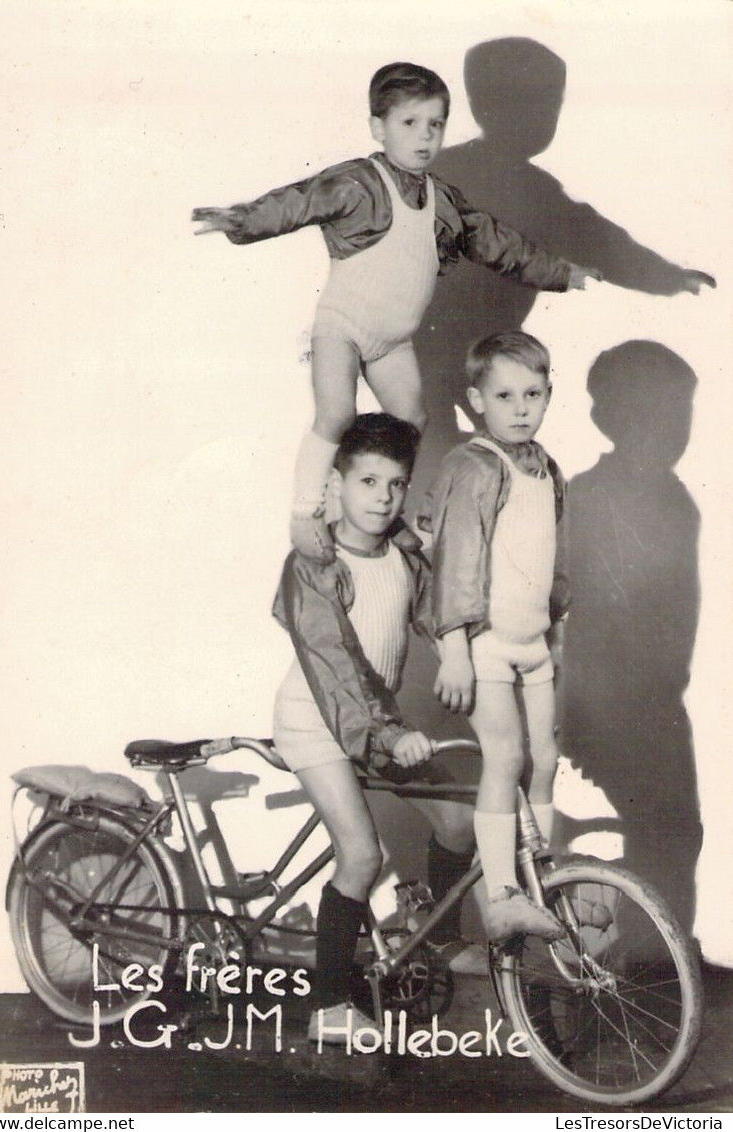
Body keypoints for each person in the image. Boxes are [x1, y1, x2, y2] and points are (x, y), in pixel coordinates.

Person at [193, 61, 600, 563]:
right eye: (410, 123)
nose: (425, 136)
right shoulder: (361, 183)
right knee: (337, 413)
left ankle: (387, 514)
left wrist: (560, 273)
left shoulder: (443, 201)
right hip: (341, 329)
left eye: (435, 124)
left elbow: (497, 243)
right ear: (378, 128)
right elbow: (300, 201)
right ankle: (306, 513)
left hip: (394, 342)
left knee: (412, 418)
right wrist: (242, 220)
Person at [272, 413, 481, 1041]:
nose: (383, 498)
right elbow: (337, 670)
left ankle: (441, 940)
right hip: (316, 721)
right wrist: (392, 736)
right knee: (362, 855)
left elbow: (437, 616)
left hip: (374, 718)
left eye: (395, 484)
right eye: (367, 482)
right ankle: (328, 1008)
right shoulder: (314, 564)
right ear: (334, 486)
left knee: (459, 818)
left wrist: (473, 658)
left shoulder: (402, 554)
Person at [420, 331, 570, 943]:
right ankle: (503, 893)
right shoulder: (475, 465)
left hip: (531, 643)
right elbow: (455, 561)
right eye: (504, 395)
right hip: (481, 644)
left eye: (532, 394)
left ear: (548, 395)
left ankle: (541, 877)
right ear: (476, 400)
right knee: (504, 757)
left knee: (547, 760)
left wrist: (557, 636)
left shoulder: (546, 468)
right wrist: (453, 648)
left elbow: (551, 559)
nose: (520, 407)